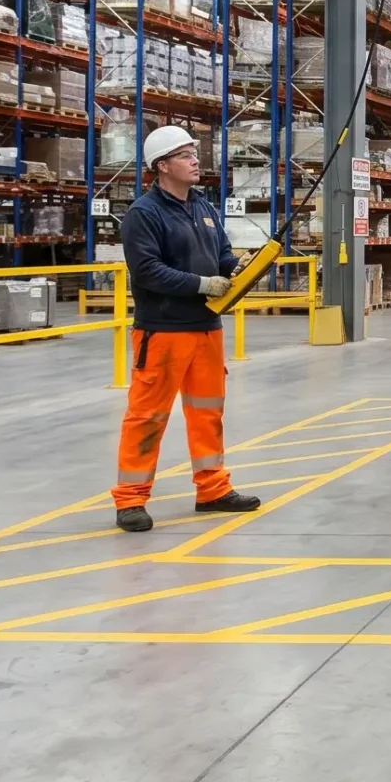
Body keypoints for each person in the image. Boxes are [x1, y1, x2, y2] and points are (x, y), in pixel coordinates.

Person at [112, 124, 258, 534]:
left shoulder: (204, 208)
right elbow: (147, 270)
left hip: (206, 330)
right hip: (163, 331)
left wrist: (237, 268)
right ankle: (130, 500)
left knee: (208, 414)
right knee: (147, 416)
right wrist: (201, 284)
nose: (195, 160)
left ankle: (212, 490)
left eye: (194, 152)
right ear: (162, 166)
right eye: (184, 154)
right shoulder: (144, 214)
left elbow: (222, 255)